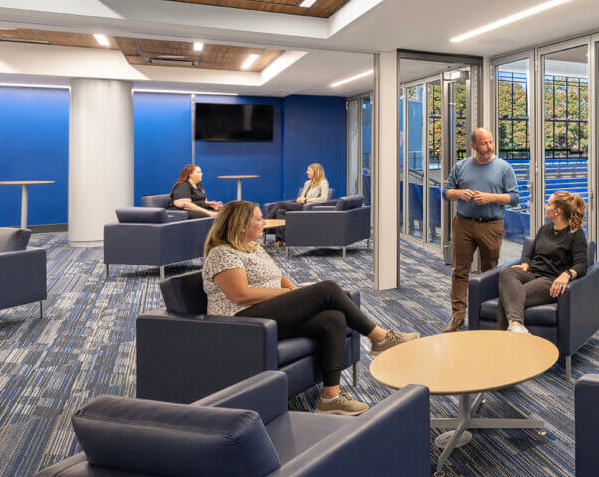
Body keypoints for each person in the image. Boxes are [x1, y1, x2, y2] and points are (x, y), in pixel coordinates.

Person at [202, 201, 418, 415]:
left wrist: (297, 294)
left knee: (333, 319)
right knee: (328, 288)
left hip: (267, 312)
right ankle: (380, 337)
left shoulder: (252, 248)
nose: (264, 222)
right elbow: (240, 295)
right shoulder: (222, 253)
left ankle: (330, 398)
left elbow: (277, 277)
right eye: (259, 219)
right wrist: (290, 295)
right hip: (241, 321)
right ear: (241, 226)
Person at [442, 127, 520, 332]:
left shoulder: (504, 168)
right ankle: (457, 316)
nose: (489, 146)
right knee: (460, 271)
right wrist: (459, 193)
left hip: (491, 225)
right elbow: (446, 192)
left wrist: (490, 197)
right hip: (463, 224)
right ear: (473, 145)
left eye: (491, 142)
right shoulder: (461, 166)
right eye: (484, 143)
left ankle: (487, 314)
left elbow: (514, 197)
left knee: (490, 271)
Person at [498, 192, 588, 334]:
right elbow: (529, 254)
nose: (545, 206)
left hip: (550, 280)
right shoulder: (544, 229)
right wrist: (526, 264)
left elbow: (582, 264)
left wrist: (566, 274)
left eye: (548, 204)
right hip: (532, 273)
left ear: (557, 211)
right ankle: (516, 326)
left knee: (507, 297)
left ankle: (508, 340)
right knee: (505, 272)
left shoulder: (576, 234)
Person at [263, 163, 332, 244]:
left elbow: (324, 199)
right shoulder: (307, 182)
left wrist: (306, 200)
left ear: (316, 172)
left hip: (308, 207)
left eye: (309, 170)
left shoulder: (323, 183)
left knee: (279, 204)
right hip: (300, 205)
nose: (307, 172)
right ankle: (281, 240)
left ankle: (262, 227)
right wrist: (300, 198)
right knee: (279, 212)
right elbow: (302, 196)